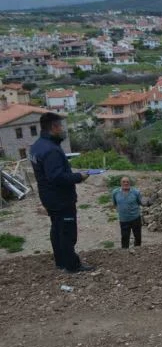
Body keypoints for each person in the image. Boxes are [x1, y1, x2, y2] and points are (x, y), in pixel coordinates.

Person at [29, 112, 94, 273]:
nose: (63, 129)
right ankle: (72, 266)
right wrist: (79, 176)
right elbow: (57, 177)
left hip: (48, 197)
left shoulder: (37, 146)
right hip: (61, 199)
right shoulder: (51, 150)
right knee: (67, 232)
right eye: (61, 126)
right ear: (54, 127)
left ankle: (61, 262)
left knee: (57, 228)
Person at [111, 176, 143, 250]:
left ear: (130, 183)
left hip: (135, 218)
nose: (126, 183)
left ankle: (138, 250)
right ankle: (125, 253)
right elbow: (115, 203)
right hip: (123, 220)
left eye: (127, 182)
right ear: (120, 183)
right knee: (125, 237)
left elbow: (140, 202)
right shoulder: (115, 192)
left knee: (138, 236)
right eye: (124, 182)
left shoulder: (136, 192)